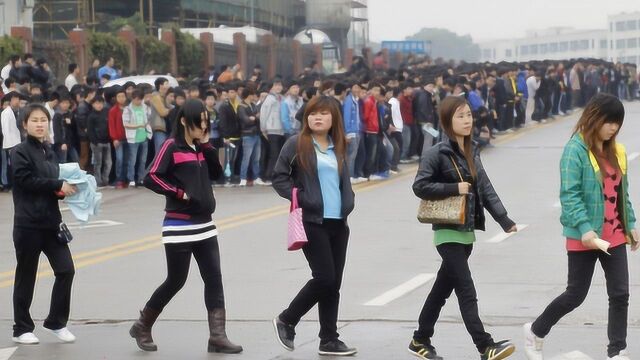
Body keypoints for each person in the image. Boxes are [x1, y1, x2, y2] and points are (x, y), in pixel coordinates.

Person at [523, 94, 638, 360]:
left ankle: (616, 351)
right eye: (609, 122)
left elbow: (622, 192)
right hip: (584, 236)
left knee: (620, 294)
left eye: (617, 123)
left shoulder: (616, 150)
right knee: (575, 295)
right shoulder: (574, 150)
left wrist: (631, 223)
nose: (613, 128)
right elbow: (569, 195)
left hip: (615, 235)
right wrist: (586, 228)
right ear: (594, 118)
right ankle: (536, 331)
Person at [130, 99, 242, 354]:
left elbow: (217, 173)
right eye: (199, 120)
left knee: (214, 279)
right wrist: (179, 194)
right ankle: (142, 324)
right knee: (176, 280)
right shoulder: (171, 146)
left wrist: (206, 145)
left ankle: (217, 336)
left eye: (206, 120)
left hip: (205, 224)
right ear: (184, 120)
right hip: (179, 225)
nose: (203, 125)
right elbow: (151, 176)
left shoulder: (200, 148)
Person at [411, 96, 518, 360]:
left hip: (466, 230)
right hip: (447, 230)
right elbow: (419, 186)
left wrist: (503, 219)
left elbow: (484, 187)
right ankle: (485, 345)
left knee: (441, 290)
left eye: (468, 115)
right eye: (460, 116)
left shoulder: (472, 150)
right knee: (466, 289)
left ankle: (420, 339)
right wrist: (452, 188)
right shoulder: (436, 153)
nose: (467, 120)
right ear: (447, 121)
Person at [272, 96, 357, 357]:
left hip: (338, 223)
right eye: (312, 114)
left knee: (334, 284)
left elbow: (341, 181)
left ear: (333, 118)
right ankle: (287, 319)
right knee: (324, 278)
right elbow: (278, 177)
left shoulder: (339, 145)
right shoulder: (297, 144)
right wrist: (300, 197)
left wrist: (348, 201)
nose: (317, 118)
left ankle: (329, 339)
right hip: (312, 221)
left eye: (323, 113)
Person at [11, 103, 78, 345]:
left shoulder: (48, 151)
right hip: (28, 225)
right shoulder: (18, 151)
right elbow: (24, 180)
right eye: (34, 120)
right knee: (26, 275)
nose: (40, 124)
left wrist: (62, 190)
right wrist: (57, 185)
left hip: (52, 223)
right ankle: (21, 328)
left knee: (66, 270)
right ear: (24, 124)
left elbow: (51, 181)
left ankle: (56, 322)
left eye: (43, 120)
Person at [238, 87, 266, 186]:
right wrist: (254, 117)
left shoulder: (253, 105)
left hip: (256, 134)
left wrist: (253, 118)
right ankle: (243, 178)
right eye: (253, 94)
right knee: (246, 158)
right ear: (249, 95)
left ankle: (256, 177)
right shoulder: (241, 106)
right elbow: (245, 119)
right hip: (247, 134)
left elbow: (258, 116)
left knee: (256, 158)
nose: (254, 96)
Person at [122, 89, 150, 187]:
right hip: (133, 138)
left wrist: (147, 128)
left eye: (140, 99)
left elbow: (148, 119)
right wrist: (138, 126)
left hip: (144, 136)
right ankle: (131, 178)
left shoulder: (145, 107)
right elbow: (125, 124)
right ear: (133, 98)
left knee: (143, 160)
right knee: (132, 160)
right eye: (137, 99)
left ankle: (141, 178)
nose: (138, 101)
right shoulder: (128, 109)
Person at [260, 79, 284, 181]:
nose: (278, 87)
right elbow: (263, 113)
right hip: (272, 130)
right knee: (273, 154)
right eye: (276, 85)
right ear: (272, 87)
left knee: (278, 154)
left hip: (281, 130)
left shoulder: (281, 98)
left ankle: (276, 174)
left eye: (280, 85)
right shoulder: (270, 98)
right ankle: (269, 175)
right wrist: (263, 128)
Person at [87, 96, 112, 187]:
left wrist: (110, 138)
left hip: (107, 141)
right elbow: (90, 131)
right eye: (97, 103)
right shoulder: (91, 116)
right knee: (98, 163)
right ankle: (98, 181)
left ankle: (105, 179)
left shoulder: (106, 112)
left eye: (101, 103)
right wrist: (95, 141)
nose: (99, 105)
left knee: (108, 163)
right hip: (96, 143)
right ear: (93, 104)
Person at [108, 86, 128, 188]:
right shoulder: (113, 110)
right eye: (119, 96)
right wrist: (114, 138)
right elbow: (111, 125)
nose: (121, 98)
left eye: (123, 96)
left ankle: (125, 179)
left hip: (129, 138)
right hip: (118, 139)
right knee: (119, 159)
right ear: (116, 98)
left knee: (126, 160)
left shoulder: (129, 108)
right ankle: (119, 179)